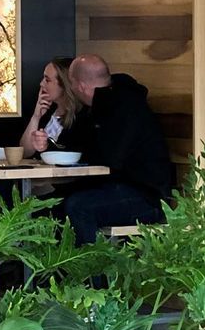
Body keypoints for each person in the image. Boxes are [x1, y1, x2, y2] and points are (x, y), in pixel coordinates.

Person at [61, 54, 174, 245]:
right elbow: (77, 143)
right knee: (60, 202)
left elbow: (110, 157)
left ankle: (91, 263)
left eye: (71, 84)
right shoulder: (100, 105)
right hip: (119, 188)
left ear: (80, 86)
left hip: (148, 197)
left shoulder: (125, 106)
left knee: (78, 206)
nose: (70, 89)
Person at [19, 57, 87, 156]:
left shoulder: (82, 117)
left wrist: (47, 146)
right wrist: (36, 117)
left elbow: (72, 153)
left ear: (64, 85)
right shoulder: (47, 111)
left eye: (47, 80)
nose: (41, 84)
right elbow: (24, 153)